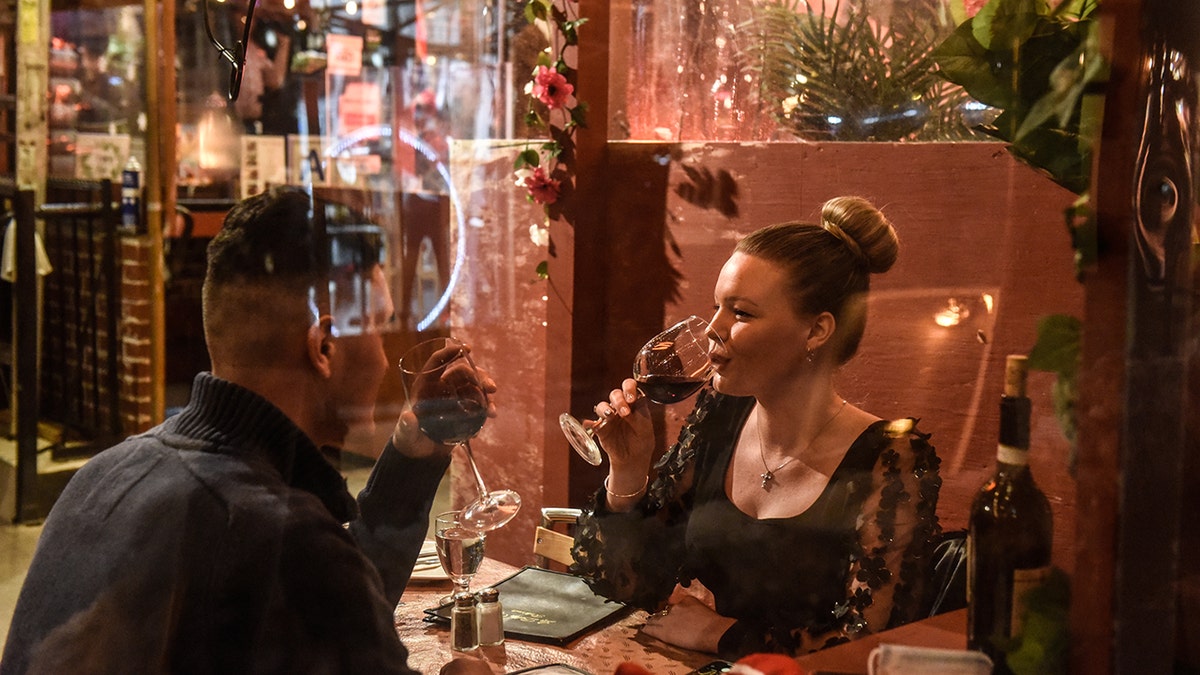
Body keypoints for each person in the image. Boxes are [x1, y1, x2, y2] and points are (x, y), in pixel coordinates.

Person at [0, 186, 489, 675]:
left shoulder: (99, 477)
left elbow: (330, 608)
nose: (384, 356)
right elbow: (314, 579)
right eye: (379, 327)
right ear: (324, 346)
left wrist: (413, 450)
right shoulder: (274, 533)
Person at [571, 196, 943, 658]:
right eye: (716, 307)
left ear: (817, 331)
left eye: (741, 313)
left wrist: (720, 635)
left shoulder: (890, 459)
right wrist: (627, 473)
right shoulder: (720, 418)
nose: (712, 328)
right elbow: (627, 580)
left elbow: (868, 646)